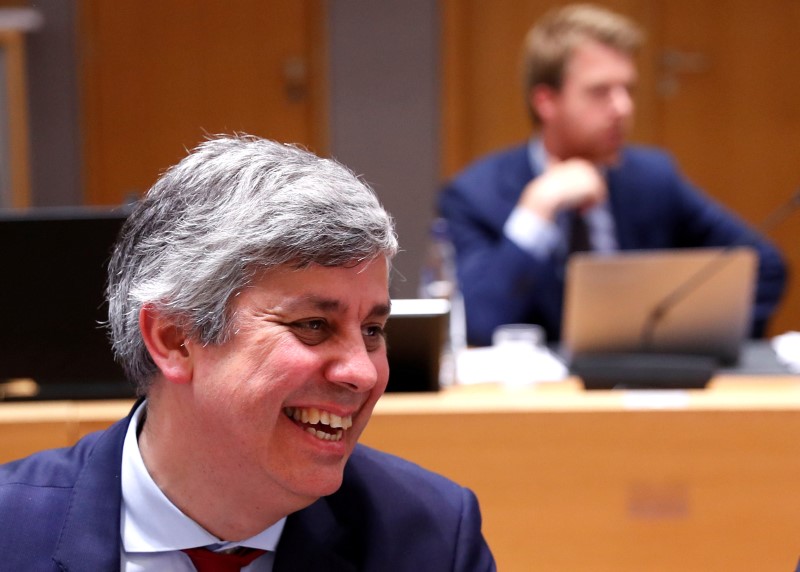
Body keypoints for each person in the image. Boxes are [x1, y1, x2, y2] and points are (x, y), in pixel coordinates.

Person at [0, 135, 496, 571]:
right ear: (175, 339)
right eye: (313, 326)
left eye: (371, 329)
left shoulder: (430, 538)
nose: (362, 373)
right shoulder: (11, 533)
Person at [438, 3, 787, 347]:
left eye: (628, 90)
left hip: (644, 387)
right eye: (600, 92)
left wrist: (686, 341)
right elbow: (478, 325)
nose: (623, 108)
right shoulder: (475, 195)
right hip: (537, 397)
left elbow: (765, 266)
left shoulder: (652, 178)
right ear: (546, 101)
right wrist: (537, 209)